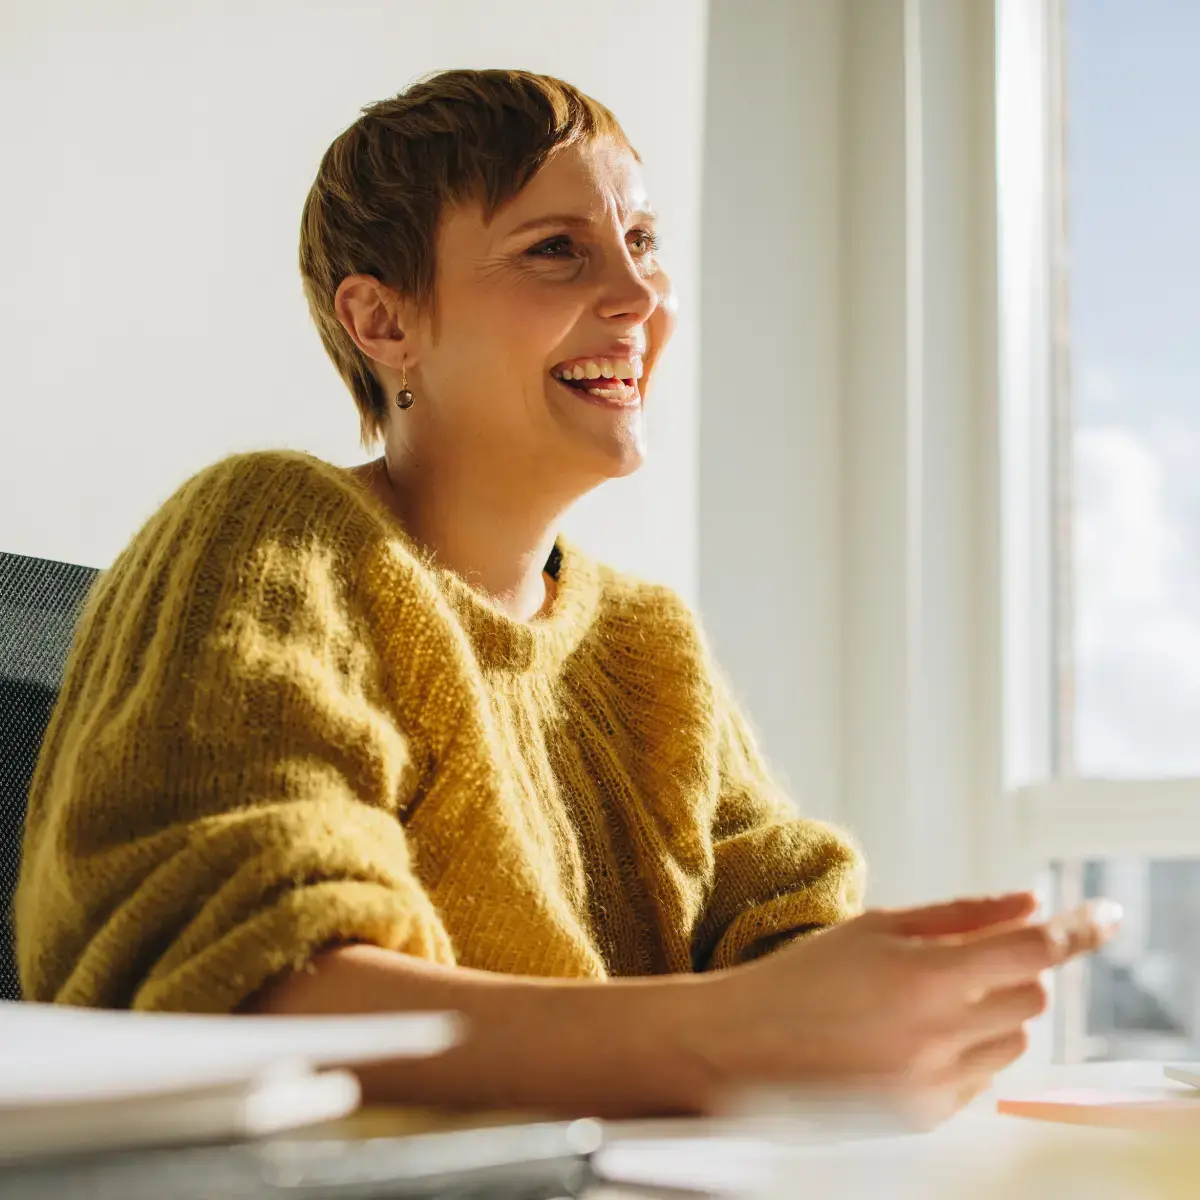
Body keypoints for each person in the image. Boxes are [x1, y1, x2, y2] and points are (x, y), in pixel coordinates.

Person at [14, 68, 1115, 1127]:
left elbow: (781, 929)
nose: (640, 298)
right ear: (384, 322)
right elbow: (244, 986)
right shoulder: (271, 534)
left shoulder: (648, 645)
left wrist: (880, 1026)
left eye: (641, 244)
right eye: (556, 251)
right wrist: (734, 1038)